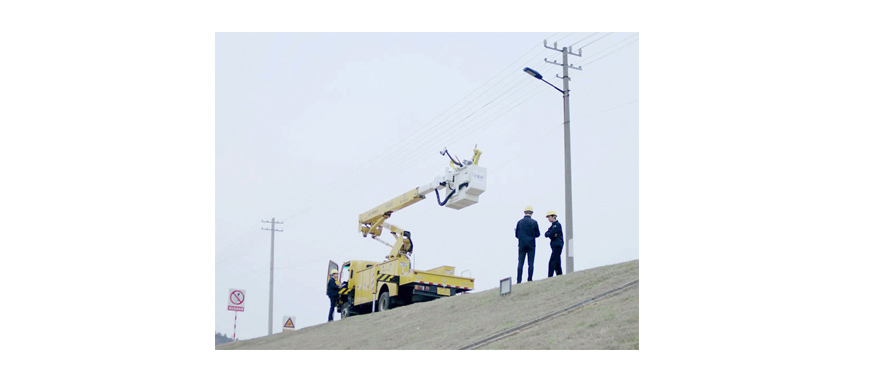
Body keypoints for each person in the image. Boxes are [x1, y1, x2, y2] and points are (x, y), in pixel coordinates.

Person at [515, 205, 541, 283]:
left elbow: (516, 235)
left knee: (520, 263)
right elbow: (538, 234)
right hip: (531, 244)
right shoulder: (534, 222)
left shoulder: (519, 222)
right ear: (531, 213)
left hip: (522, 244)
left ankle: (519, 280)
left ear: (524, 212)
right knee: (531, 263)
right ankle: (529, 279)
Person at [545, 210, 564, 277]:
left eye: (549, 217)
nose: (548, 219)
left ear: (554, 216)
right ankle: (559, 275)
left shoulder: (557, 225)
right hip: (554, 245)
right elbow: (546, 234)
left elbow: (552, 234)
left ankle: (550, 276)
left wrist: (551, 234)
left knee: (552, 261)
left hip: (557, 245)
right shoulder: (552, 226)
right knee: (557, 262)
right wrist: (551, 234)